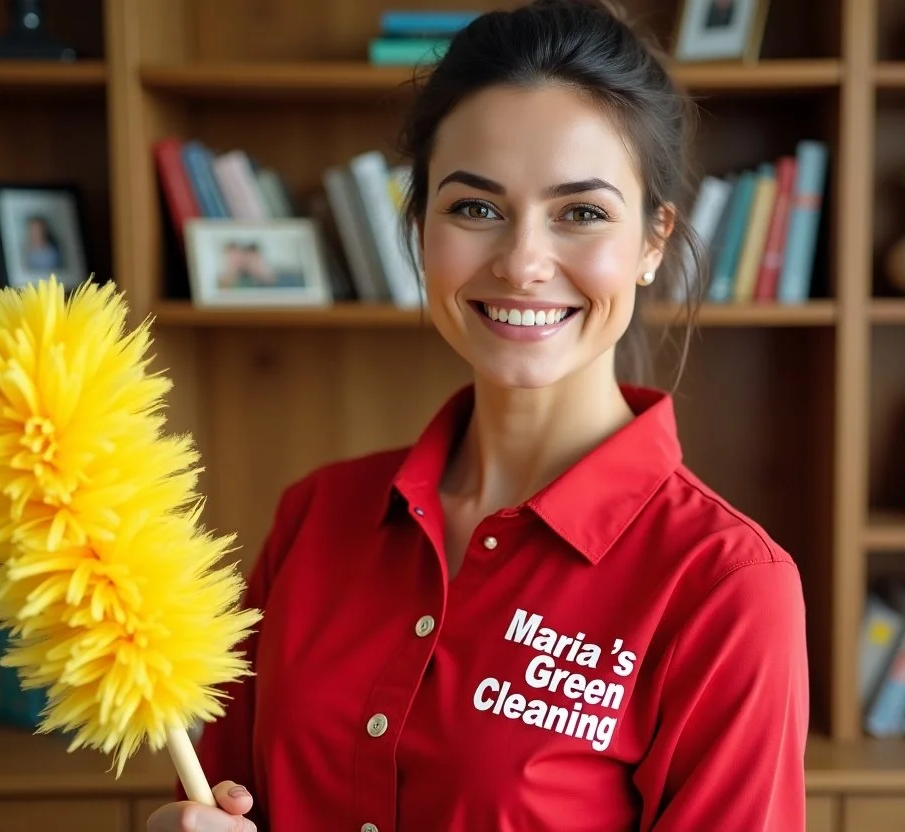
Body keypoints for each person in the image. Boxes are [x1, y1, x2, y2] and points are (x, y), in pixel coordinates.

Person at [147, 1, 808, 829]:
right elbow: (221, 794)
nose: (524, 261)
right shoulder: (314, 517)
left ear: (652, 242)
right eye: (476, 208)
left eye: (582, 213)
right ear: (421, 228)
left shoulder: (725, 586)